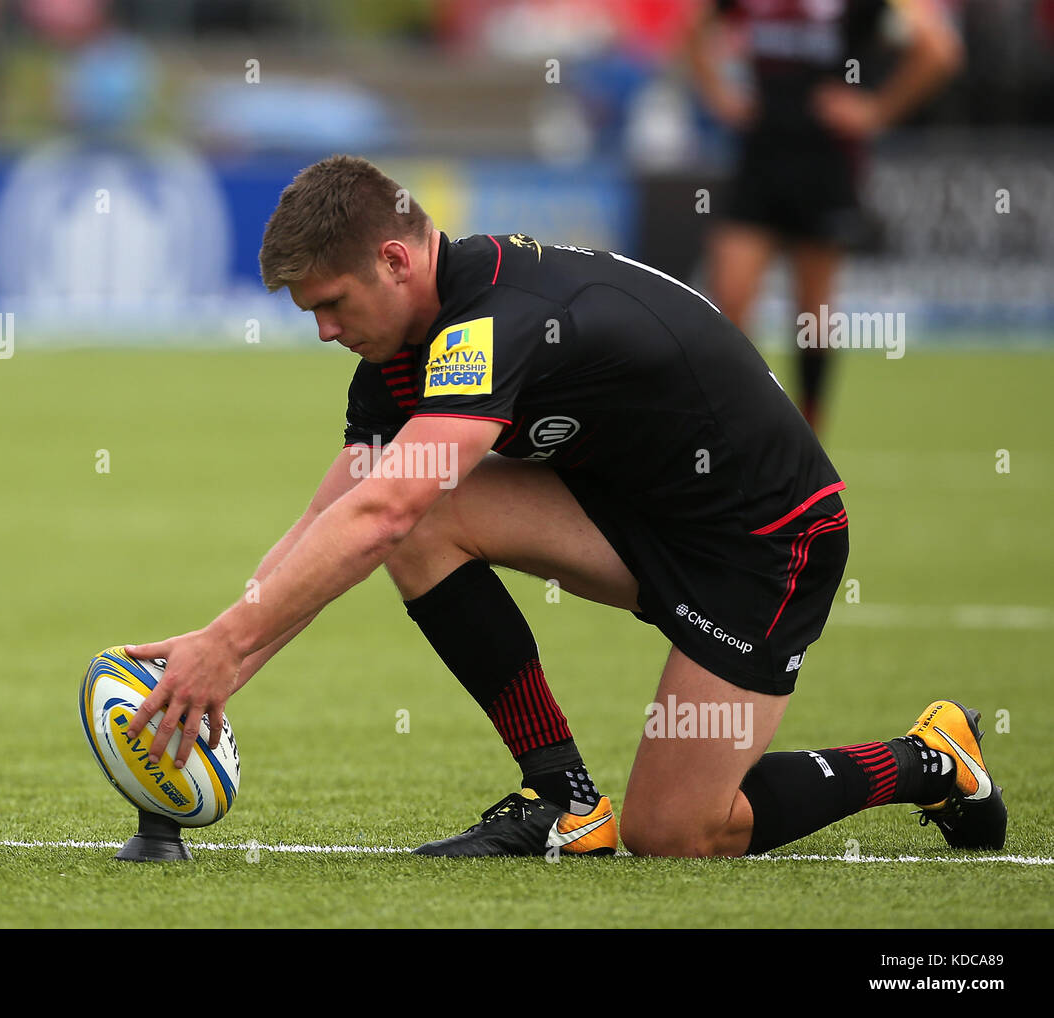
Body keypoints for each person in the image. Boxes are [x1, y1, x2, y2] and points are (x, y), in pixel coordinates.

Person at [122, 155, 1004, 858]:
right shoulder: (397, 354)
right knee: (417, 515)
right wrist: (213, 664)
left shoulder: (497, 319)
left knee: (677, 834)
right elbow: (336, 518)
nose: (322, 331)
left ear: (395, 260)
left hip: (766, 540)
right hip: (633, 514)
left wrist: (228, 649)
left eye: (330, 304)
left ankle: (930, 759)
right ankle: (564, 803)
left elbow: (379, 511)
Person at [686, 0, 962, 430]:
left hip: (826, 163)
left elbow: (939, 50)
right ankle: (737, 429)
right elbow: (693, 30)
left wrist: (876, 111)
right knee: (730, 302)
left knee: (812, 312)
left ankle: (808, 435)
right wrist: (719, 95)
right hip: (759, 159)